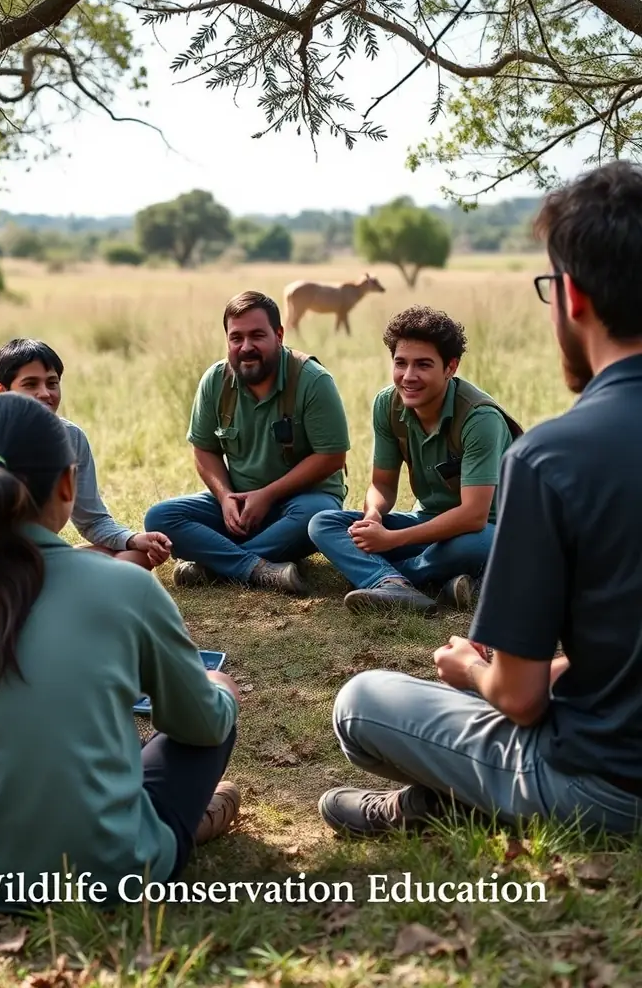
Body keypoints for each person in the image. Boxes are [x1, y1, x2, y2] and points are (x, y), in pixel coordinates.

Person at [318, 159, 642, 839]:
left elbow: (519, 700)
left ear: (572, 297)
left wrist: (470, 669)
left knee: (361, 703)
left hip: (607, 786)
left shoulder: (552, 457)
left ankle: (433, 803)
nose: (408, 375)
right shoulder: (393, 409)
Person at [0, 392, 241, 912]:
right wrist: (220, 694)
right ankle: (174, 823)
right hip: (106, 872)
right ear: (67, 483)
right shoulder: (127, 586)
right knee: (215, 699)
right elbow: (201, 726)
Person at [308, 306, 521, 615]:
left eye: (423, 365)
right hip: (427, 523)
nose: (408, 376)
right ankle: (416, 583)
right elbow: (382, 484)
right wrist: (373, 516)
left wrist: (392, 540)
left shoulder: (479, 419)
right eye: (400, 363)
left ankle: (387, 579)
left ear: (450, 367)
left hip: (486, 530)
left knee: (475, 545)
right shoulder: (388, 404)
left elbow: (474, 515)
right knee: (324, 523)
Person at [144, 291, 350, 596]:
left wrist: (267, 495)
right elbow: (204, 449)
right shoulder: (215, 381)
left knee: (317, 520)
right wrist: (226, 497)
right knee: (160, 517)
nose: (246, 347)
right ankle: (255, 567)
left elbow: (332, 456)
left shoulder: (313, 380)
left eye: (257, 335)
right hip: (238, 505)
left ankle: (214, 564)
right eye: (236, 337)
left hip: (300, 502)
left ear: (279, 335)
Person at [0, 338, 171, 570]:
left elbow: (92, 520)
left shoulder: (71, 438)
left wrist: (133, 539)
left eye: (52, 383)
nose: (45, 393)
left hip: (45, 555)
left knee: (134, 557)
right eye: (30, 384)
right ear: (2, 391)